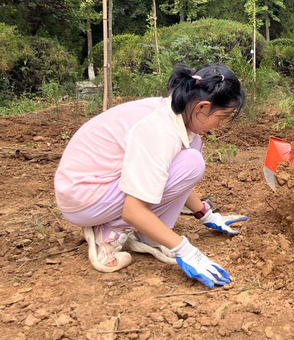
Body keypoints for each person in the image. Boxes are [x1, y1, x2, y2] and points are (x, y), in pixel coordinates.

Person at [54, 63, 247, 288]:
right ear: (202, 107)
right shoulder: (158, 131)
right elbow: (133, 210)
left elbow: (172, 177)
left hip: (99, 187)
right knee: (192, 161)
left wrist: (206, 214)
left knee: (192, 153)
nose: (219, 125)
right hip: (83, 198)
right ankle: (110, 231)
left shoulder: (176, 117)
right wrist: (186, 251)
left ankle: (148, 234)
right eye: (221, 117)